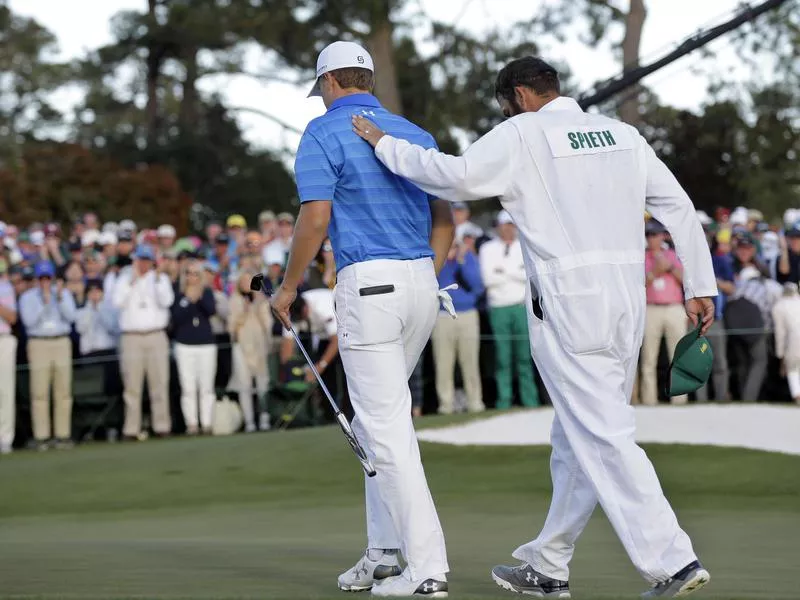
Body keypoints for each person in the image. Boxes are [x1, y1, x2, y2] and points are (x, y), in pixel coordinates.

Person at [352, 56, 716, 598]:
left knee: (603, 435)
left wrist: (383, 143)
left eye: (503, 105)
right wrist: (699, 286)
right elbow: (680, 208)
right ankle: (549, 564)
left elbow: (453, 175)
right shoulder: (623, 133)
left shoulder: (521, 132)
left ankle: (673, 561)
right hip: (626, 303)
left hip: (570, 305)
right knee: (577, 437)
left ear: (519, 95)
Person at [270, 40, 455, 597]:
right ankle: (382, 552)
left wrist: (287, 286)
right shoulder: (416, 134)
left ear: (329, 83)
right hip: (423, 285)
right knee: (379, 421)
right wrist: (423, 269)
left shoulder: (322, 132)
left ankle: (427, 569)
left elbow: (315, 216)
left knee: (386, 428)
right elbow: (444, 218)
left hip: (370, 287)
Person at [112, 245, 174, 440]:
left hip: (155, 335)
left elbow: (166, 301)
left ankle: (162, 425)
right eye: (141, 260)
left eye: (147, 260)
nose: (143, 264)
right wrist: (132, 281)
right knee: (132, 385)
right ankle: (131, 428)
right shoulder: (124, 279)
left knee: (159, 383)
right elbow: (117, 302)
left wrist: (156, 278)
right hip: (132, 337)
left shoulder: (160, 279)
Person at [479, 209, 540, 409]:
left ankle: (530, 402)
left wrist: (504, 272)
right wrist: (516, 273)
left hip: (521, 307)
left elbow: (529, 276)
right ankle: (503, 402)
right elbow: (488, 279)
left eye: (510, 225)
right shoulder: (487, 248)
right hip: (498, 308)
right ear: (498, 227)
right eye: (504, 225)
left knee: (524, 358)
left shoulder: (524, 245)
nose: (507, 229)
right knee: (502, 358)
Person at [19, 260, 77, 450]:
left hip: (60, 341)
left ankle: (62, 434)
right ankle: (42, 436)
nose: (45, 282)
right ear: (37, 279)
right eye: (41, 278)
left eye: (48, 278)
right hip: (39, 343)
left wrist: (58, 298)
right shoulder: (28, 297)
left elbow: (71, 317)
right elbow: (29, 321)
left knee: (63, 391)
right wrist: (44, 303)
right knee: (39, 392)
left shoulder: (63, 294)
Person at [432, 237, 485, 414]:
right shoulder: (436, 257)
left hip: (467, 314)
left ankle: (475, 402)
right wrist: (444, 259)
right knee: (443, 363)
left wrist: (461, 261)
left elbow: (477, 285)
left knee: (470, 362)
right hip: (442, 315)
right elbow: (433, 281)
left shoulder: (467, 258)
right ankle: (446, 405)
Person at [640, 218, 688, 405]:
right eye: (649, 235)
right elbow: (639, 284)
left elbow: (685, 280)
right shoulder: (642, 257)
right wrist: (654, 272)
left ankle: (680, 399)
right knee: (648, 359)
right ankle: (649, 400)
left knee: (678, 356)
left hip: (674, 307)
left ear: (662, 236)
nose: (652, 238)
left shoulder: (673, 255)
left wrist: (669, 267)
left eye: (655, 234)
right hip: (651, 308)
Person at [171, 260, 218, 435]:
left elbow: (211, 310)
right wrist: (188, 300)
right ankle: (192, 423)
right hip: (185, 345)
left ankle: (207, 423)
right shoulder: (178, 294)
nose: (192, 277)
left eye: (196, 274)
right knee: (188, 387)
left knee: (206, 386)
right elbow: (176, 317)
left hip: (206, 344)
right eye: (189, 273)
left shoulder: (206, 292)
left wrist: (198, 297)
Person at [229, 271, 273, 432]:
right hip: (241, 346)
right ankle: (249, 421)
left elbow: (267, 324)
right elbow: (232, 327)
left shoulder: (261, 301)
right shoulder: (234, 301)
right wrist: (244, 311)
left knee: (262, 383)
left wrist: (259, 306)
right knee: (244, 384)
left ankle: (264, 417)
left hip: (259, 346)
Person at [0, 258, 18, 454]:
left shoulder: (5, 288)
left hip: (3, 339)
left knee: (5, 391)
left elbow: (12, 318)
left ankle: (5, 439)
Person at [772, 282, 800, 404]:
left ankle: (797, 396)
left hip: (793, 339)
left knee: (792, 369)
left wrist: (780, 355)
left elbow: (780, 333)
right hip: (794, 337)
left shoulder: (778, 307)